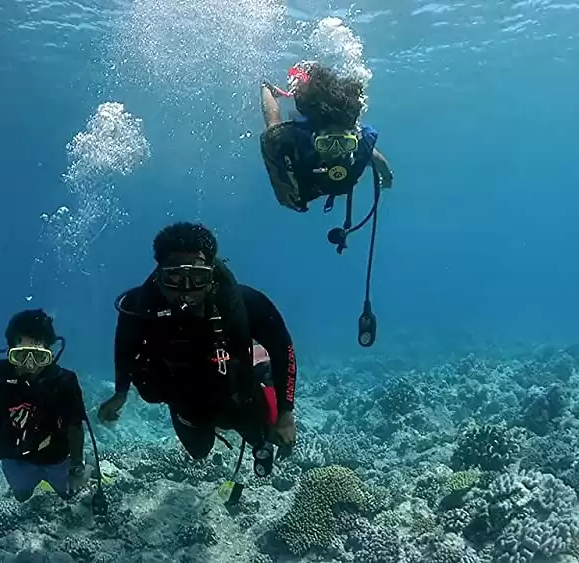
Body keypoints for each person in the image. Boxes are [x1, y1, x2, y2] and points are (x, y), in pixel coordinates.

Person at [97, 222, 298, 478]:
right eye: (175, 277)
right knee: (199, 452)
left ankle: (259, 365)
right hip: (185, 401)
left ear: (211, 275)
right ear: (159, 275)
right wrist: (120, 393)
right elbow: (124, 348)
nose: (186, 290)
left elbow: (284, 349)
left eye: (198, 277)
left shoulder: (248, 303)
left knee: (263, 439)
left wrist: (286, 413)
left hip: (236, 390)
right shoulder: (137, 307)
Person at [0, 309, 90, 502]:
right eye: (21, 357)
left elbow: (75, 426)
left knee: (69, 495)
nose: (30, 366)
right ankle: (37, 479)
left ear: (50, 353)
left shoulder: (64, 381)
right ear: (10, 351)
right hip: (14, 454)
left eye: (39, 358)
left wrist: (77, 466)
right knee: (22, 496)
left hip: (54, 454)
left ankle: (90, 466)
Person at [260, 60, 394, 215]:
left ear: (354, 141)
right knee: (276, 133)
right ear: (314, 139)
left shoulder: (361, 143)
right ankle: (267, 87)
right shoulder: (295, 139)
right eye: (326, 144)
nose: (335, 152)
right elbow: (272, 124)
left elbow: (377, 159)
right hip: (307, 179)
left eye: (345, 143)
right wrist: (281, 185)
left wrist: (387, 177)